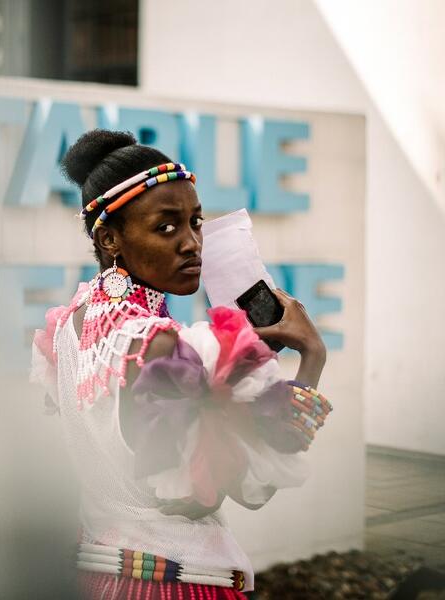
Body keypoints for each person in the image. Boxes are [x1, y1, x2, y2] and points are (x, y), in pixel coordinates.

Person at [31, 130, 330, 599]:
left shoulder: (69, 323)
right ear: (110, 238)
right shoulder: (161, 342)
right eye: (167, 227)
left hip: (96, 576)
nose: (192, 243)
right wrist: (311, 358)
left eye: (196, 222)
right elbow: (223, 496)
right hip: (177, 583)